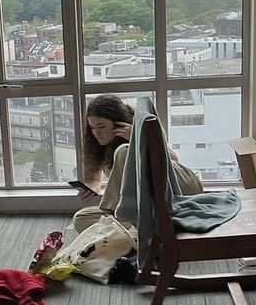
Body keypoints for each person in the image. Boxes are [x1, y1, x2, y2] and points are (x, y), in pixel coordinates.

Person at [72, 94, 202, 233]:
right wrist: (89, 189)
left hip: (178, 185)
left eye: (101, 126)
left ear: (117, 123)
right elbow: (93, 179)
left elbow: (173, 159)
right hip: (141, 205)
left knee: (123, 151)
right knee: (80, 219)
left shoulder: (144, 125)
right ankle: (130, 226)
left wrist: (137, 139)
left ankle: (120, 221)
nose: (96, 132)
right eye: (92, 127)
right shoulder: (97, 144)